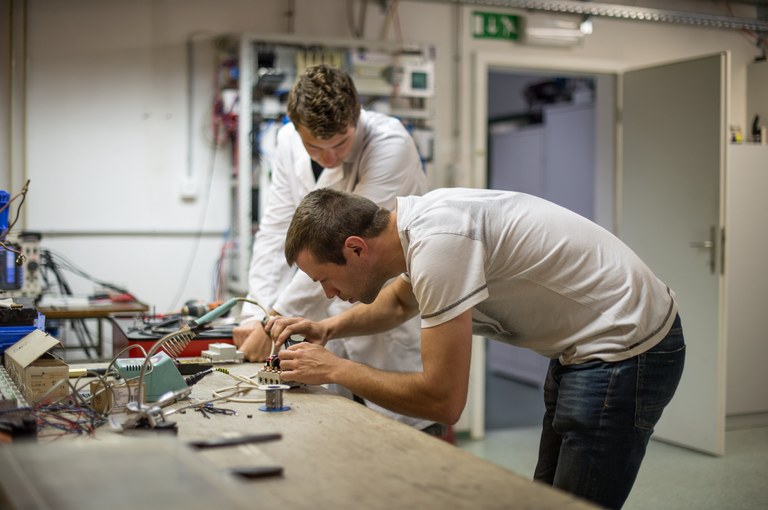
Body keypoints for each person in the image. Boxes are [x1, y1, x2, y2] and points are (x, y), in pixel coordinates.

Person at [266, 187, 686, 510]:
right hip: (586, 345)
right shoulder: (417, 227)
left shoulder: (439, 243)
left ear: (356, 248)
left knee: (573, 502)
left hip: (626, 343)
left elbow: (443, 400)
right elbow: (397, 303)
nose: (329, 294)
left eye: (325, 279)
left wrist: (335, 369)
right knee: (547, 496)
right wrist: (326, 328)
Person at [232, 64, 443, 435]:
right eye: (315, 147)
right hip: (325, 326)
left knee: (404, 443)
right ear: (296, 127)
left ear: (356, 117)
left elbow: (337, 246)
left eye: (341, 144)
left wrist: (275, 322)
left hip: (383, 320)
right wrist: (258, 312)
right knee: (334, 439)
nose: (329, 158)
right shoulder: (287, 141)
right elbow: (277, 231)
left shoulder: (390, 144)